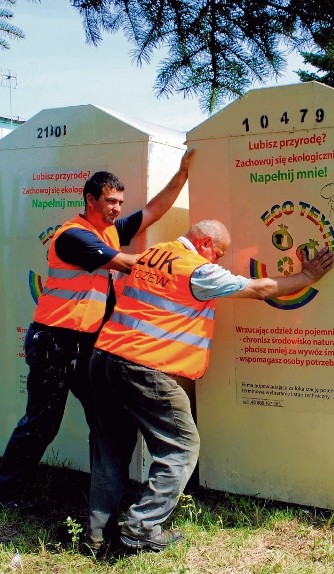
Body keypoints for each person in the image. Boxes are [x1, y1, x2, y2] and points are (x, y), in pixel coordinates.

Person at [86, 219, 334, 553]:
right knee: (181, 447)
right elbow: (259, 289)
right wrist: (306, 277)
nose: (216, 261)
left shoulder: (156, 253)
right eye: (217, 254)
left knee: (110, 450)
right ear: (205, 243)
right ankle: (141, 529)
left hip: (104, 358)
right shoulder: (199, 270)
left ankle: (96, 536)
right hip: (142, 366)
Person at [0, 150, 194, 510]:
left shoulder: (110, 231)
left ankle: (105, 495)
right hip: (53, 341)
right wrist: (179, 263)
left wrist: (182, 176)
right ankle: (7, 489)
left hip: (86, 343)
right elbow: (122, 263)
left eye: (120, 202)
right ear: (90, 199)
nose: (117, 208)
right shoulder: (74, 237)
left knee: (106, 418)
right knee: (42, 422)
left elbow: (153, 211)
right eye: (110, 201)